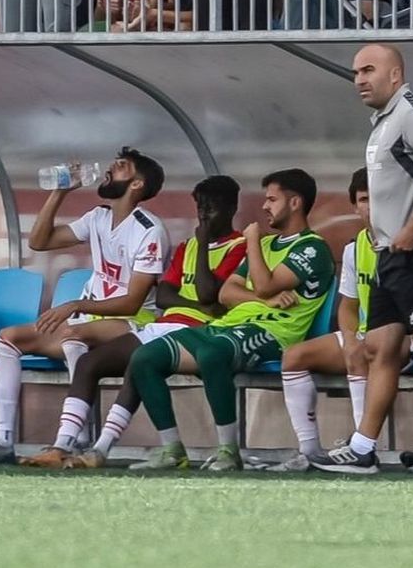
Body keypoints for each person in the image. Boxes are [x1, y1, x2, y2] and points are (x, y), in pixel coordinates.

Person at [313, 44, 413, 475]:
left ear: (396, 75)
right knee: (380, 348)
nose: (359, 80)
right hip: (391, 253)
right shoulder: (385, 120)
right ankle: (363, 447)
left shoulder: (411, 114)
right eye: (355, 73)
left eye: (368, 70)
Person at [0, 148, 170, 464]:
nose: (111, 168)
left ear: (137, 184)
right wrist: (59, 192)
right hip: (89, 321)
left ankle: (70, 441)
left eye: (122, 166)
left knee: (73, 334)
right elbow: (39, 242)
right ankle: (2, 441)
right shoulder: (98, 217)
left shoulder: (149, 230)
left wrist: (75, 305)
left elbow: (133, 300)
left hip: (134, 322)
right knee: (9, 338)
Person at [25, 175, 246, 469]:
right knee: (90, 363)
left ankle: (100, 449)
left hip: (200, 332)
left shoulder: (238, 247)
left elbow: (209, 293)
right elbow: (165, 296)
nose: (203, 215)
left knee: (139, 363)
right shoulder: (187, 247)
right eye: (200, 207)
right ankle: (61, 445)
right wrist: (202, 303)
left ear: (231, 209)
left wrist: (204, 247)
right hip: (164, 325)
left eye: (212, 207)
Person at [129, 169, 335, 472]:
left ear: (295, 203)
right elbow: (227, 294)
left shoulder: (312, 247)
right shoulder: (265, 245)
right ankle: (172, 450)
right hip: (227, 326)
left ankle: (228, 450)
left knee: (212, 354)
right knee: (144, 358)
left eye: (272, 200)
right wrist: (264, 298)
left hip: (273, 332)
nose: (264, 206)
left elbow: (264, 284)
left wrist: (251, 243)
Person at [271, 168, 374, 470]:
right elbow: (348, 307)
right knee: (294, 356)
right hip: (366, 335)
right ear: (354, 207)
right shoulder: (355, 248)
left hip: (405, 337)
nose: (371, 207)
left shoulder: (405, 243)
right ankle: (310, 452)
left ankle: (363, 450)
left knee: (361, 353)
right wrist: (351, 337)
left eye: (377, 198)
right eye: (364, 200)